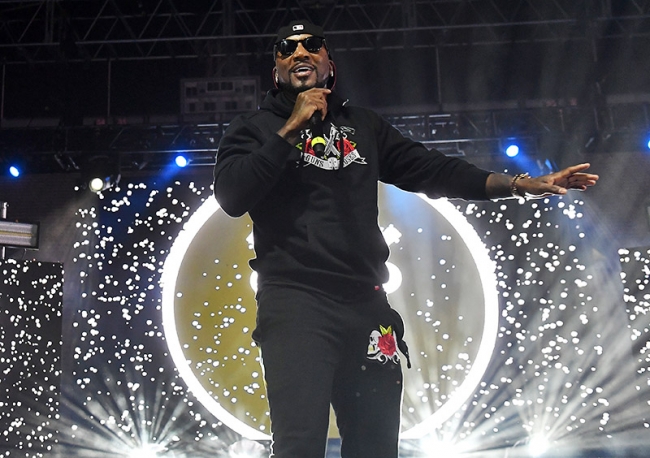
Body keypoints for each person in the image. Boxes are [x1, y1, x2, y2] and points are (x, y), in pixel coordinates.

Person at [212, 19, 598, 458]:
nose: (300, 53)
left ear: (329, 64)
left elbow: (433, 169)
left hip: (367, 305)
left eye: (312, 45)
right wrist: (290, 129)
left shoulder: (363, 126)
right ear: (276, 71)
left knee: (377, 448)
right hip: (297, 304)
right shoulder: (253, 129)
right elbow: (232, 195)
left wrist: (517, 184)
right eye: (287, 49)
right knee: (299, 446)